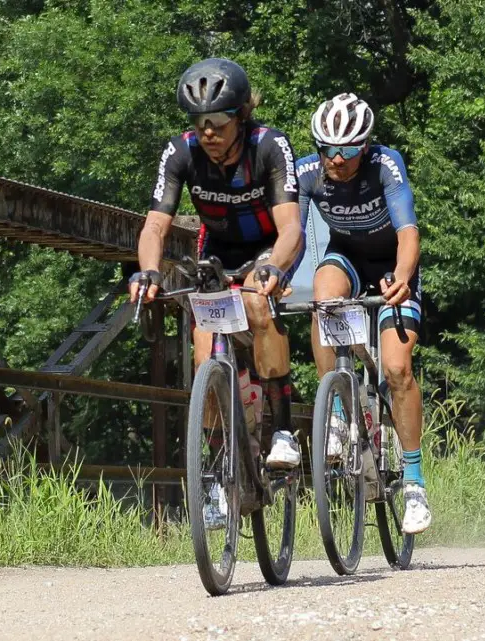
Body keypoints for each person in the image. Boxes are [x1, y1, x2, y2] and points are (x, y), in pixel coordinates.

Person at [129, 58, 304, 516]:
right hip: (218, 252)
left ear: (241, 117)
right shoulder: (181, 152)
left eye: (218, 122)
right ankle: (218, 466)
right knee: (205, 354)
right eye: (200, 122)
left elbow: (291, 229)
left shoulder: (269, 145)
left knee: (258, 308)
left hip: (270, 247)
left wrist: (274, 270)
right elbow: (154, 227)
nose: (207, 132)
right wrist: (147, 271)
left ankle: (283, 429)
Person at [296, 93, 431, 534]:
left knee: (396, 369)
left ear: (366, 146)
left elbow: (408, 232)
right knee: (322, 295)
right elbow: (291, 236)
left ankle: (413, 481)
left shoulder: (385, 165)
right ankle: (336, 410)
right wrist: (273, 273)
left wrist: (404, 277)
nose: (336, 158)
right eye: (327, 147)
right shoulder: (307, 173)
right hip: (348, 258)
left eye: (348, 149)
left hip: (393, 265)